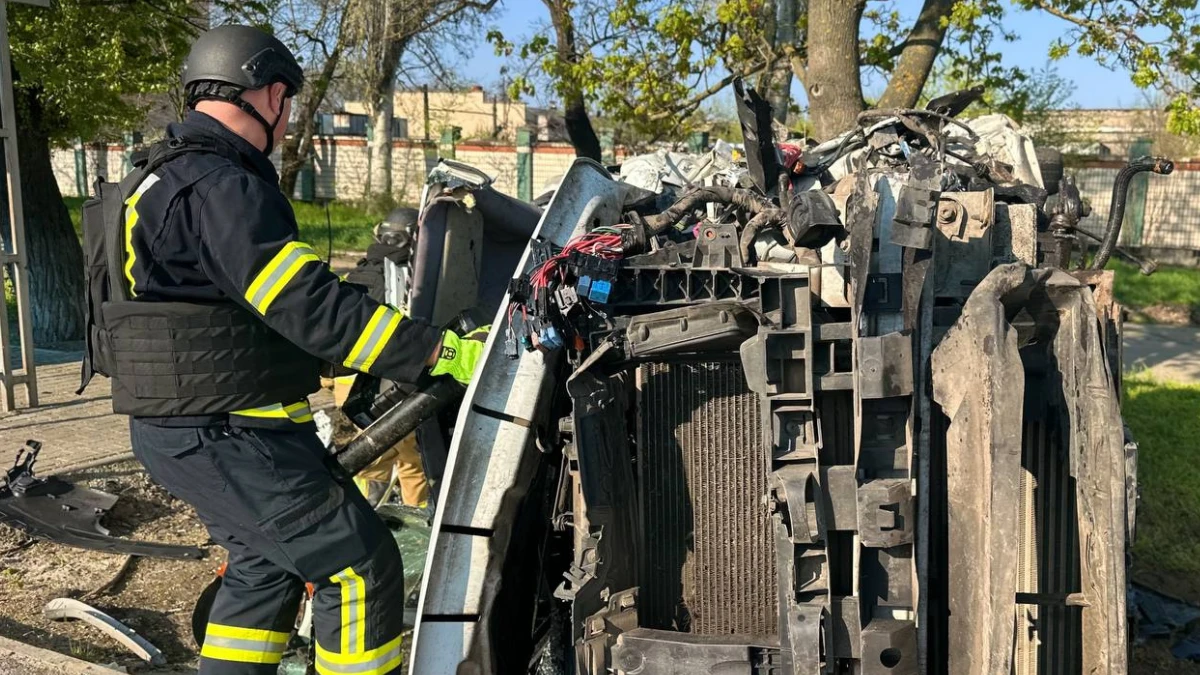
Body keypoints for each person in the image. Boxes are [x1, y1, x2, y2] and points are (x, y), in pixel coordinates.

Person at [98, 25, 487, 675]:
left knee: (263, 571)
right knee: (359, 566)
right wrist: (438, 352)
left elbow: (232, 310)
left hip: (184, 427)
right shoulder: (222, 185)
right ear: (272, 95)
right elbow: (309, 306)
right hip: (230, 431)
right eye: (288, 106)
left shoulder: (156, 181)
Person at [339, 207, 429, 508]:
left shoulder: (360, 269)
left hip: (347, 380)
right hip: (384, 383)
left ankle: (366, 511)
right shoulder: (404, 277)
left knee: (369, 456)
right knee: (410, 458)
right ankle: (415, 522)